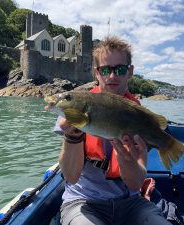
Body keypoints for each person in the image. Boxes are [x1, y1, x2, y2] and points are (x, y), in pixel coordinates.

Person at [56, 36, 173, 225]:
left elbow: (135, 184)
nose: (112, 76)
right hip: (83, 202)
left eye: (119, 69)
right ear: (96, 72)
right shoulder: (77, 108)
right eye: (105, 70)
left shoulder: (139, 117)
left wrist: (127, 161)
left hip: (130, 202)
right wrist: (72, 138)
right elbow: (71, 176)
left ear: (130, 72)